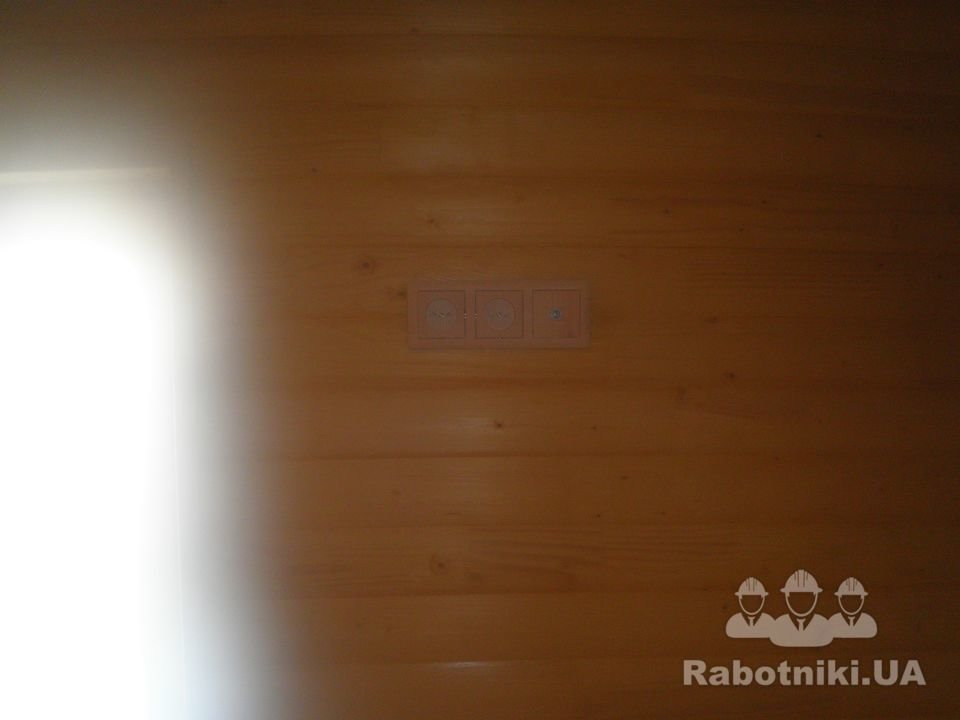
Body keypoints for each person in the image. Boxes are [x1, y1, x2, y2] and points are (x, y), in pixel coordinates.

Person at [769, 569, 832, 647]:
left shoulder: (823, 624)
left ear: (815, 596)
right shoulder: (779, 625)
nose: (801, 601)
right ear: (787, 596)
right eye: (794, 596)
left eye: (807, 596)